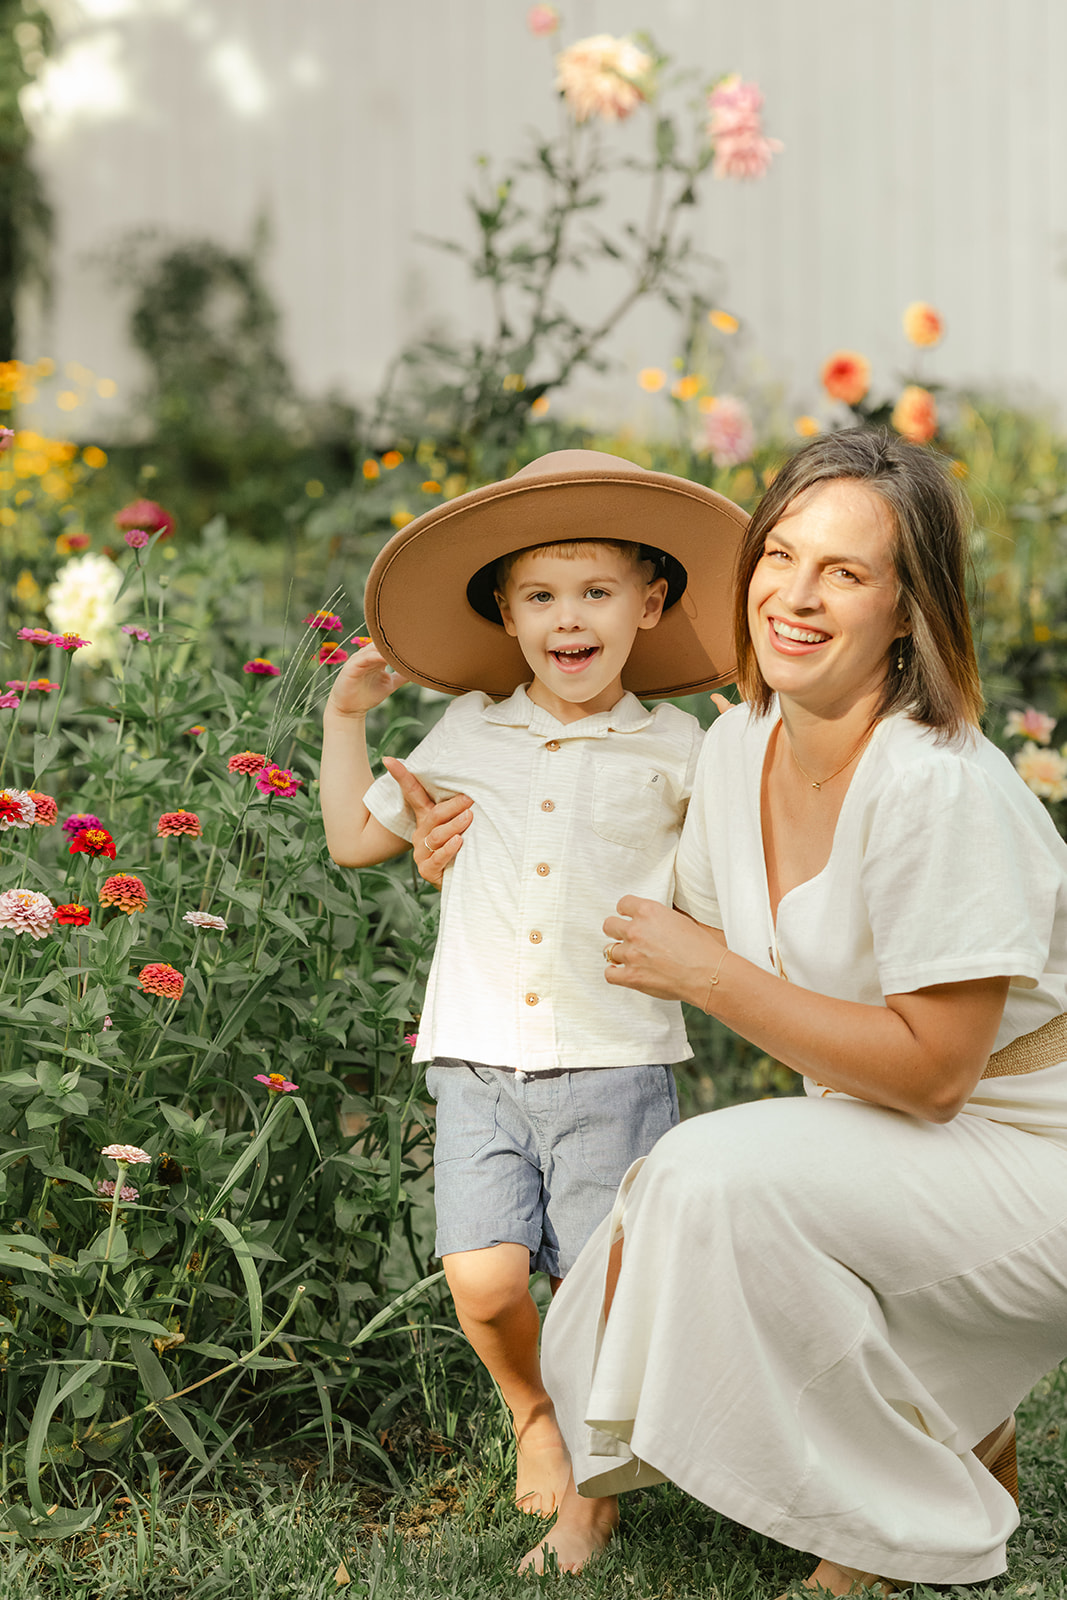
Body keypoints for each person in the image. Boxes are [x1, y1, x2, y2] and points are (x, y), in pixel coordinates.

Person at [412, 429, 1067, 1588]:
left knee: (707, 1180)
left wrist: (707, 977)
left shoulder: (934, 783)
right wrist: (472, 853)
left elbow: (932, 1073)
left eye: (845, 573)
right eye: (779, 556)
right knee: (614, 1275)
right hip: (901, 1138)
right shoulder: (738, 746)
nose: (795, 597)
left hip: (1027, 1145)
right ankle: (936, 1416)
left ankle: (884, 1530)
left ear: (908, 611)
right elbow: (636, 909)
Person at [318, 448, 745, 1518]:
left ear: (648, 604)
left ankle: (594, 1490)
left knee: (598, 1289)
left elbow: (730, 884)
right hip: (472, 1052)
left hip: (613, 1057)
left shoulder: (681, 748)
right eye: (540, 596)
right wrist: (345, 719)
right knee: (483, 1279)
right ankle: (530, 1412)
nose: (569, 619)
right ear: (503, 615)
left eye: (595, 591)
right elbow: (350, 841)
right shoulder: (468, 728)